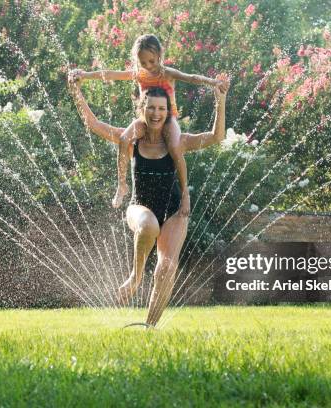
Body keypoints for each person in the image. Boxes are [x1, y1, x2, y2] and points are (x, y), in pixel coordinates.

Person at [68, 74, 229, 327]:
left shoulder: (177, 142)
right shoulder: (133, 139)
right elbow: (93, 123)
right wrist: (75, 90)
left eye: (161, 109)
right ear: (142, 109)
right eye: (151, 107)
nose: (156, 113)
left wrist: (221, 97)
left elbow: (216, 137)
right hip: (139, 206)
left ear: (168, 112)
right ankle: (135, 276)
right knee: (148, 225)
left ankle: (150, 327)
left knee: (166, 268)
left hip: (174, 211)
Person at [69, 34, 229, 220]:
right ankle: (122, 185)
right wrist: (86, 76)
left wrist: (213, 83)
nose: (148, 65)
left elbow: (191, 77)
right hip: (145, 120)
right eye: (143, 62)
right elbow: (111, 74)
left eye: (151, 61)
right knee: (123, 138)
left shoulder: (167, 73)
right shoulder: (139, 73)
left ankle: (185, 193)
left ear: (160, 55)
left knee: (175, 146)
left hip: (169, 119)